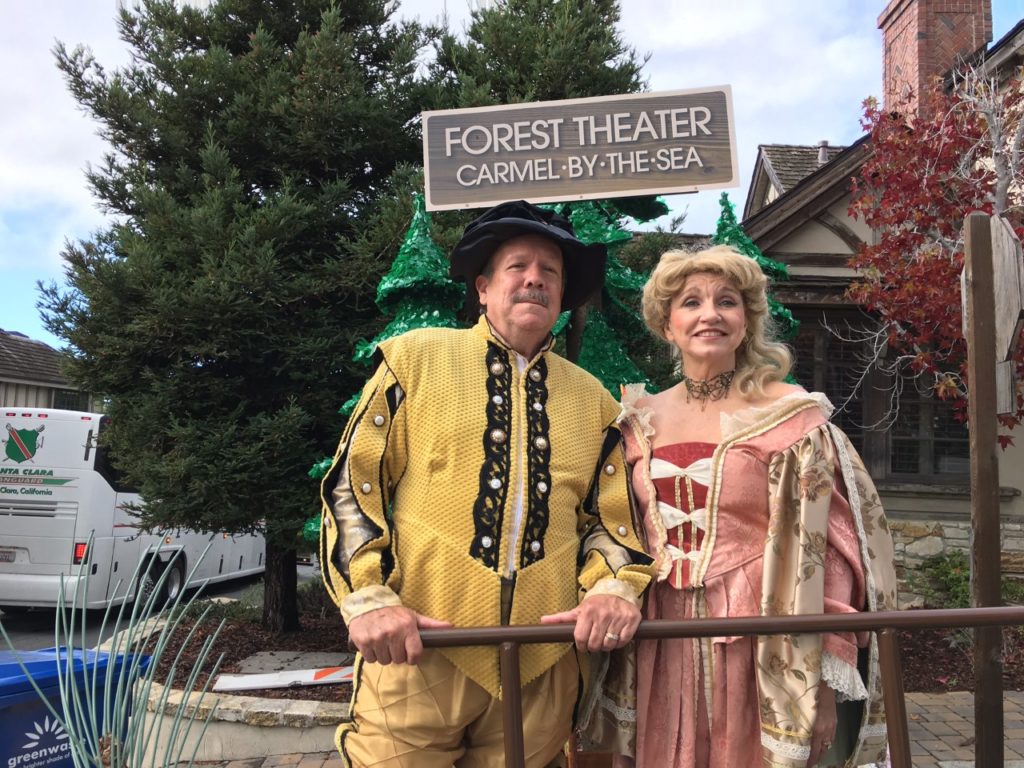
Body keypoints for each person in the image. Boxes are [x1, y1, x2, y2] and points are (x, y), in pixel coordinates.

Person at [319, 200, 655, 768]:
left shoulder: (595, 400)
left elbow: (610, 521)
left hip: (542, 665)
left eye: (550, 271)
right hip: (419, 652)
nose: (534, 279)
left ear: (563, 294)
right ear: (481, 287)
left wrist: (613, 589)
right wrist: (368, 598)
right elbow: (355, 485)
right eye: (517, 267)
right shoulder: (416, 359)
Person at [586, 245, 898, 768]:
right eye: (691, 302)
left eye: (726, 302)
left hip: (763, 640)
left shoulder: (792, 418)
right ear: (668, 325)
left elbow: (830, 554)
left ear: (747, 321)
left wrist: (821, 685)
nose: (709, 314)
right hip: (657, 641)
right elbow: (615, 529)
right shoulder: (635, 421)